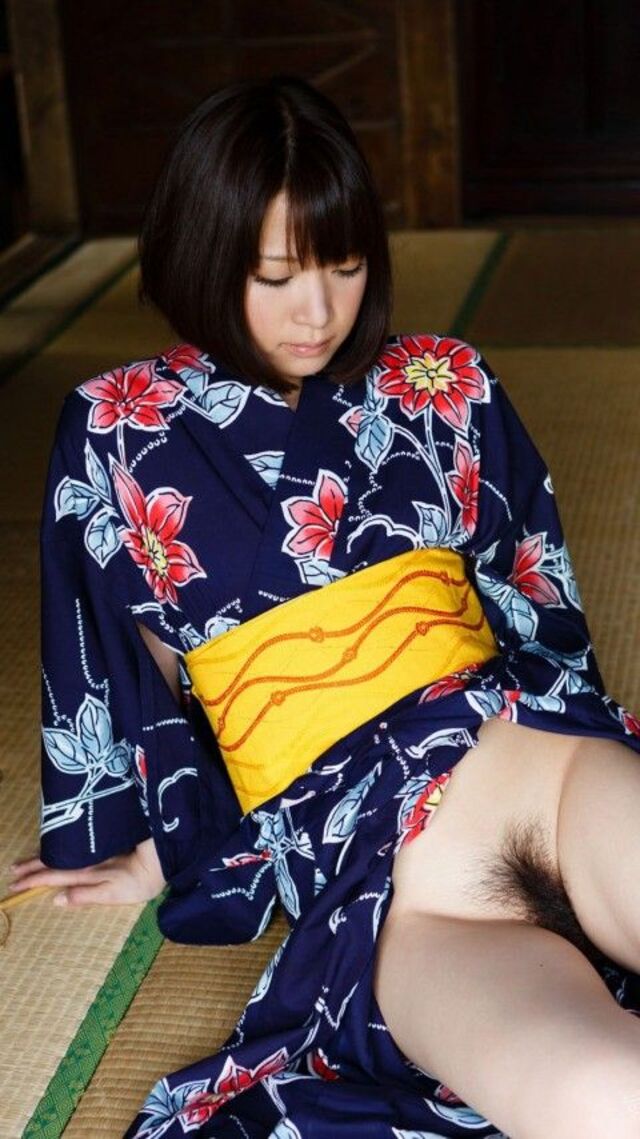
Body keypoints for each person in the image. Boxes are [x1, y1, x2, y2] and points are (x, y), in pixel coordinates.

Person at [9, 75, 640, 1139]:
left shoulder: (444, 380)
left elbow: (534, 597)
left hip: (545, 765)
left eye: (344, 266)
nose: (318, 311)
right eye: (275, 274)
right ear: (205, 253)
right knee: (610, 1102)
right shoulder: (114, 428)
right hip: (388, 889)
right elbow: (112, 669)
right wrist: (140, 841)